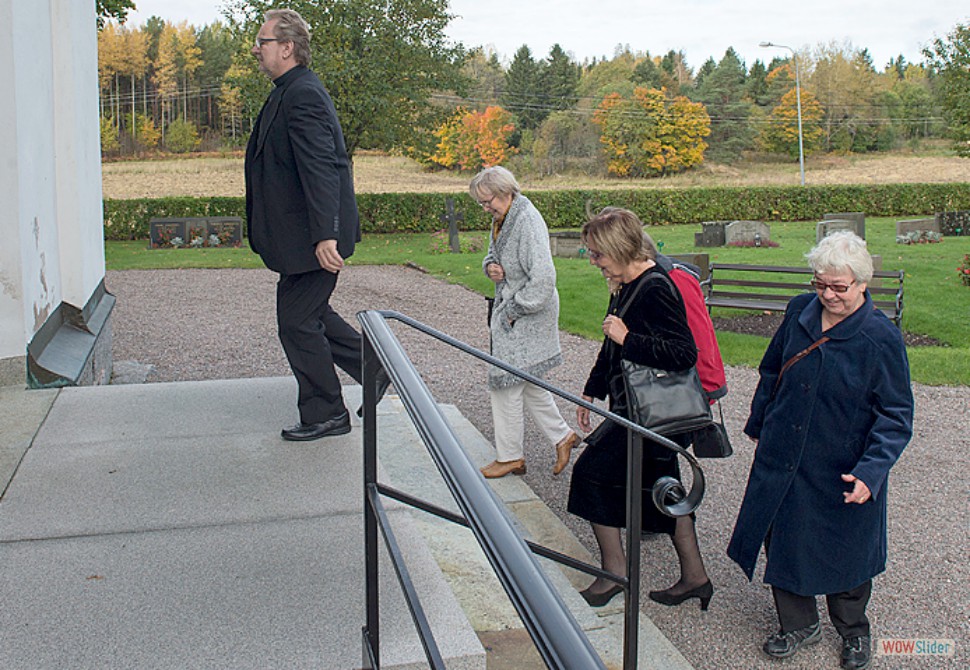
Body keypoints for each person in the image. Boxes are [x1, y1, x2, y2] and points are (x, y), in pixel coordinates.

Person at [727, 231, 914, 670]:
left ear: (863, 283)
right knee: (784, 539)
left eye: (838, 287)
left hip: (843, 463)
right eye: (820, 284)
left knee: (846, 549)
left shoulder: (880, 338)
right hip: (784, 451)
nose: (827, 294)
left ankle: (853, 631)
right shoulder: (799, 311)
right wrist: (760, 422)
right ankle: (798, 624)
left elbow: (896, 415)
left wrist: (871, 472)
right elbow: (772, 368)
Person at [245, 9, 386, 442]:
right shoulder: (288, 91)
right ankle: (375, 369)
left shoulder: (302, 93)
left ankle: (328, 413)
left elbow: (323, 168)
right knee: (309, 314)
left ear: (287, 47)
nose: (257, 49)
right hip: (299, 239)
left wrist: (326, 233)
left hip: (313, 239)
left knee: (297, 322)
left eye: (263, 41)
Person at [568, 208, 712, 608]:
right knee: (663, 490)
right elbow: (609, 345)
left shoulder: (654, 287)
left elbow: (683, 353)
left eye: (598, 254)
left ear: (619, 248)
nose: (594, 262)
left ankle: (614, 573)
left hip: (651, 417)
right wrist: (592, 391)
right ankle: (696, 577)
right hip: (637, 411)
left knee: (591, 475)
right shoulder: (625, 283)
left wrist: (628, 337)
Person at [472, 166, 580, 479]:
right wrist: (490, 266)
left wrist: (512, 312)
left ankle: (510, 457)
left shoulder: (528, 220)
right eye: (481, 203)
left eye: (487, 200)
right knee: (526, 378)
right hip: (514, 310)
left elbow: (544, 279)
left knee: (504, 382)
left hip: (527, 312)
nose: (485, 208)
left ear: (506, 191)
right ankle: (563, 437)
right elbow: (492, 254)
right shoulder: (502, 218)